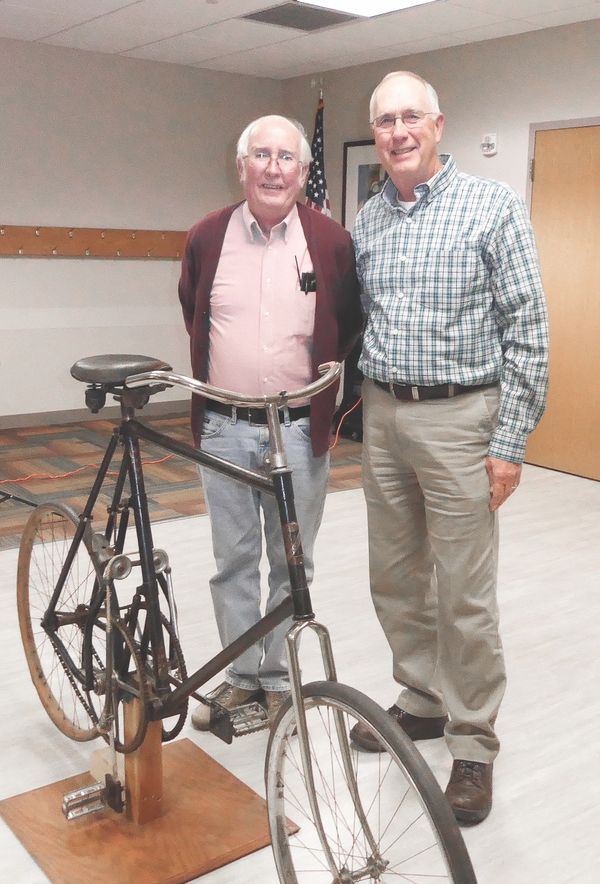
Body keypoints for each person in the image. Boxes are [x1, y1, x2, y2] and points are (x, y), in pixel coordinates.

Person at [350, 71, 549, 825]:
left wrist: (511, 441)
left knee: (464, 591)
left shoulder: (492, 207)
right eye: (385, 122)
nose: (397, 132)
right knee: (396, 576)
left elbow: (527, 326)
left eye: (410, 117)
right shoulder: (368, 220)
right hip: (384, 414)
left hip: (462, 419)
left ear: (438, 125)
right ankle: (422, 700)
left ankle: (473, 743)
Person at [178, 114, 362, 731]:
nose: (275, 168)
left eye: (287, 158)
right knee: (233, 559)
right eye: (262, 156)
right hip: (226, 427)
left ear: (304, 172)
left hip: (299, 429)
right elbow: (193, 311)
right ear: (242, 167)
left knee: (292, 563)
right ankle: (240, 679)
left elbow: (349, 321)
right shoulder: (207, 237)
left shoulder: (332, 242)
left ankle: (280, 682)